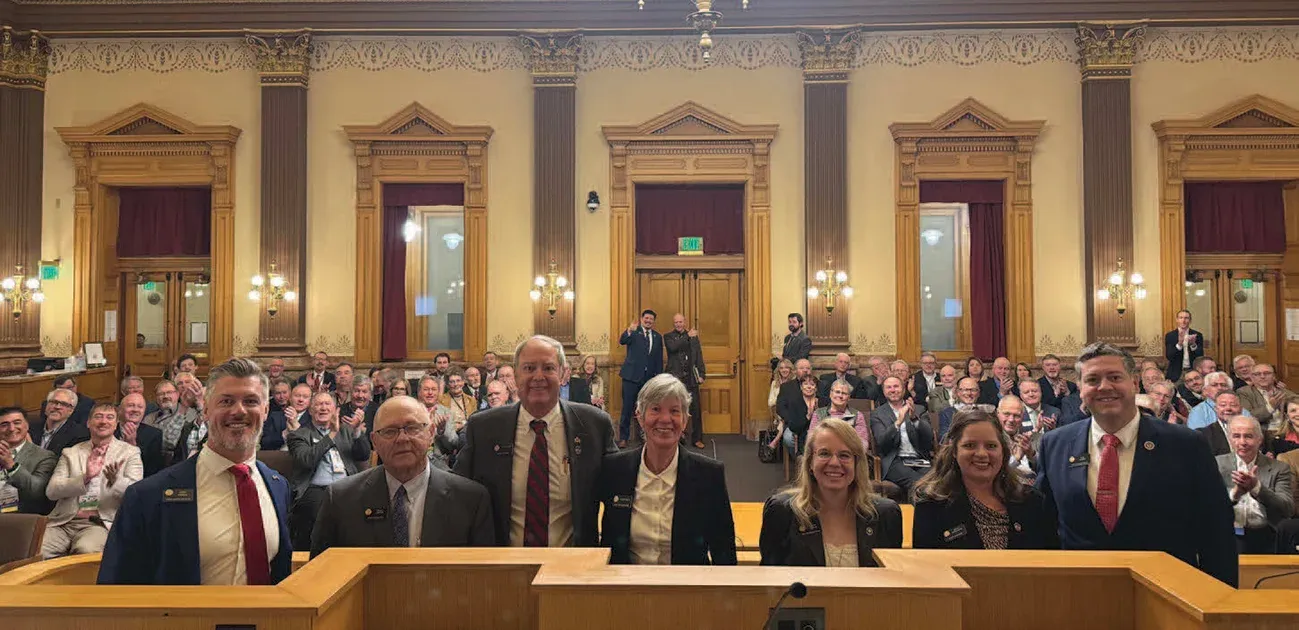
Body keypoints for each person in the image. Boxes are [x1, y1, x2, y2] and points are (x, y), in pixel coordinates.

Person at [1036, 342, 1237, 586]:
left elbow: (1215, 529)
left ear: (1134, 383)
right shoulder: (1055, 445)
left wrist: (1219, 602)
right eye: (1092, 379)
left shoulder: (1185, 444)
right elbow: (1045, 528)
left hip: (1167, 593)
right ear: (1080, 389)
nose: (1104, 386)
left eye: (1114, 377)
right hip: (1081, 594)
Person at [98, 358, 294, 585]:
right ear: (207, 410)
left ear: (266, 410)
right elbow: (116, 589)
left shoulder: (278, 486)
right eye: (226, 401)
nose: (239, 411)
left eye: (251, 401)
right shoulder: (148, 497)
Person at [454, 335, 617, 547]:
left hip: (572, 568)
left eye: (548, 368)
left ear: (562, 373)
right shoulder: (484, 428)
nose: (538, 376)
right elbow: (458, 494)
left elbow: (617, 492)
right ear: (515, 375)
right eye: (529, 368)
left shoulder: (594, 426)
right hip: (503, 568)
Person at [310, 396, 495, 556]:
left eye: (412, 428)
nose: (402, 439)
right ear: (375, 441)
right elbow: (321, 576)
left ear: (431, 434)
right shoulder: (341, 498)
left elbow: (482, 580)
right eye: (390, 431)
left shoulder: (471, 499)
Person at [599, 374, 735, 565]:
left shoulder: (709, 474)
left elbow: (724, 553)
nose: (665, 419)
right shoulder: (614, 469)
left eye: (674, 411)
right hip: (626, 588)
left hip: (687, 589)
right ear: (640, 416)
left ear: (685, 420)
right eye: (655, 409)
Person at [759, 419, 903, 566]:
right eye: (824, 453)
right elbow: (770, 583)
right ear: (810, 462)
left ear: (856, 463)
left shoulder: (886, 515)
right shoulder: (781, 512)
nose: (834, 463)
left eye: (844, 455)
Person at [912, 408, 1058, 549]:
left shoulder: (1032, 501)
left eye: (991, 446)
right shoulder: (931, 503)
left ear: (1003, 452)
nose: (982, 453)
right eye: (969, 445)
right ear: (955, 451)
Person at [43, 404, 143, 558]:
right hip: (63, 522)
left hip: (99, 523)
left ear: (116, 424)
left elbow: (136, 495)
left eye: (109, 417)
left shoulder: (130, 453)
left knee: (85, 551)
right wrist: (86, 477)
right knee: (36, 551)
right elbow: (52, 491)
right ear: (88, 423)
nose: (103, 421)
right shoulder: (71, 452)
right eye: (98, 416)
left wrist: (115, 481)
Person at [286, 391, 372, 551]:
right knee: (319, 511)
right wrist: (331, 434)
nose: (323, 408)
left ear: (335, 410)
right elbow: (306, 460)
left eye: (327, 404)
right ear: (310, 410)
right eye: (318, 404)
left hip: (347, 487)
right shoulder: (299, 435)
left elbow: (363, 455)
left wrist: (357, 432)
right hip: (315, 489)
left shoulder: (346, 431)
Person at [1217, 415, 1293, 554]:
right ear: (1229, 439)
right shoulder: (1216, 465)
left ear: (1260, 439)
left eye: (1248, 436)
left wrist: (1256, 488)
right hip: (1227, 534)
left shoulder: (1279, 468)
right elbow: (1207, 506)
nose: (1242, 442)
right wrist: (1234, 494)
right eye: (1236, 436)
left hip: (1267, 535)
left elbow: (1287, 508)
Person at [870, 376, 933, 498]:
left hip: (919, 460)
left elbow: (929, 437)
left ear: (903, 389)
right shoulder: (877, 414)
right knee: (920, 484)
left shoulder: (919, 409)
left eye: (896, 386)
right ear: (884, 391)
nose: (893, 390)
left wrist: (914, 418)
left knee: (935, 481)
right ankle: (918, 516)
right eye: (889, 387)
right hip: (895, 461)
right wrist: (897, 422)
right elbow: (882, 442)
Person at [618, 309, 666, 447]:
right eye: (646, 318)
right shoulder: (634, 332)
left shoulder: (657, 337)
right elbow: (622, 341)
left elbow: (658, 359)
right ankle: (623, 438)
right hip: (631, 377)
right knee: (627, 408)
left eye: (651, 319)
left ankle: (645, 435)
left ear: (653, 321)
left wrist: (658, 377)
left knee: (646, 409)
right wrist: (629, 331)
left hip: (648, 379)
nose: (648, 321)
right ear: (641, 319)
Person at [0, 406, 57, 514]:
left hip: (22, 518)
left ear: (27, 426)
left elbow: (37, 492)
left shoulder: (45, 456)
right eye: (4, 424)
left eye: (17, 422)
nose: (11, 428)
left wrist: (11, 466)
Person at [663, 313, 706, 449]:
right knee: (675, 409)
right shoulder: (668, 337)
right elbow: (673, 348)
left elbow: (699, 356)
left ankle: (697, 439)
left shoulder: (693, 337)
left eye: (681, 322)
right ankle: (676, 437)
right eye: (676, 322)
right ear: (673, 323)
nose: (678, 324)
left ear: (684, 322)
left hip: (691, 379)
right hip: (675, 379)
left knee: (695, 409)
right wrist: (688, 336)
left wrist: (702, 374)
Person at [30, 387, 90, 459]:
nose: (57, 407)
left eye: (63, 404)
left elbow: (58, 462)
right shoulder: (30, 427)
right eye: (54, 402)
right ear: (46, 405)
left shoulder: (79, 434)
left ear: (71, 410)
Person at [117, 393, 165, 478]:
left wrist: (132, 445)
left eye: (140, 407)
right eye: (131, 405)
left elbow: (152, 470)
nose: (135, 410)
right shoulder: (109, 430)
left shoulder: (154, 434)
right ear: (120, 409)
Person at [776, 375, 819, 459]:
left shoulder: (822, 401)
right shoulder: (795, 402)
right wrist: (808, 417)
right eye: (805, 384)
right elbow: (794, 427)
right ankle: (800, 461)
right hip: (801, 434)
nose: (809, 387)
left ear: (816, 388)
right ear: (801, 387)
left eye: (812, 384)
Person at [1164, 309, 1205, 383]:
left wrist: (1193, 344)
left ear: (1190, 320)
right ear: (1177, 320)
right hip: (1175, 374)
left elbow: (1200, 356)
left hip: (1193, 372)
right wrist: (1179, 344)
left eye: (1186, 318)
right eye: (1181, 318)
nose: (1183, 320)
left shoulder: (1197, 335)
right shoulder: (1170, 335)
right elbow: (1169, 356)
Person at [937, 377, 982, 441]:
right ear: (958, 392)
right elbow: (943, 438)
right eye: (965, 390)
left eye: (973, 390)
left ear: (978, 393)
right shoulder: (947, 413)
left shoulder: (985, 412)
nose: (969, 393)